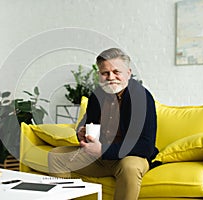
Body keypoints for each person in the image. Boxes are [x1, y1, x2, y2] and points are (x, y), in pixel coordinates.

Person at [48, 48, 158, 200]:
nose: (110, 77)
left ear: (128, 72)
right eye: (105, 73)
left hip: (129, 157)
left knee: (130, 168)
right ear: (99, 74)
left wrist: (103, 150)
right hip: (99, 157)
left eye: (116, 72)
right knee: (56, 156)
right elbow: (87, 125)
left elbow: (146, 146)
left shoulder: (141, 97)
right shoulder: (97, 95)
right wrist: (81, 132)